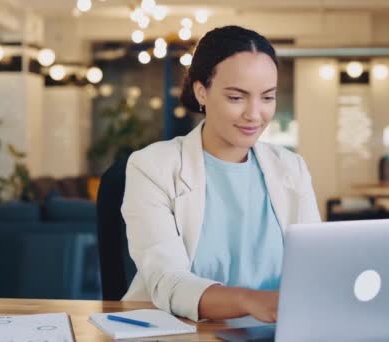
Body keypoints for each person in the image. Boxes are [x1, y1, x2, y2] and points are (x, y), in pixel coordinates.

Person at [121, 25, 321, 323]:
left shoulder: (291, 168)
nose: (255, 114)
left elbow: (315, 266)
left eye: (267, 98)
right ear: (202, 91)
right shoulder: (152, 167)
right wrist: (252, 302)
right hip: (182, 331)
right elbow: (168, 283)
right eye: (237, 98)